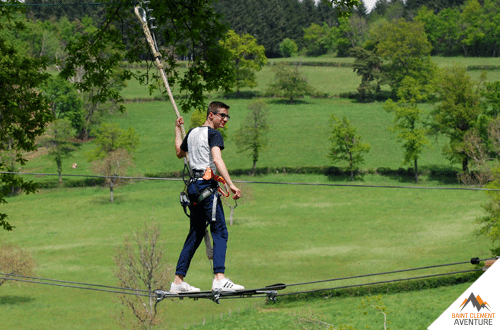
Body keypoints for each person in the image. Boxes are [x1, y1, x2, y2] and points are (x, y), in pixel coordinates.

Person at [170, 101, 244, 293]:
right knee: (220, 231)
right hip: (206, 188)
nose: (225, 119)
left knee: (195, 234)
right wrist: (231, 185)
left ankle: (177, 282)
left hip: (193, 189)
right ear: (211, 115)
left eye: (227, 116)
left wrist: (178, 130)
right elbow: (217, 159)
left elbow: (180, 152)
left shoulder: (193, 132)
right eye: (222, 115)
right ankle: (219, 278)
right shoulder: (214, 135)